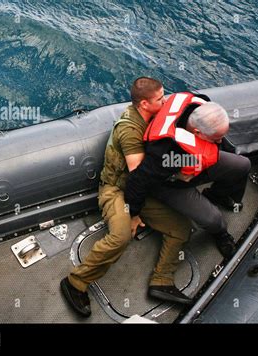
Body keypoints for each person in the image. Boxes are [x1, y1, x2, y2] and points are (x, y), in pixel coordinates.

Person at [60, 77, 193, 318]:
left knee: (181, 228)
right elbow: (137, 177)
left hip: (138, 191)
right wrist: (134, 214)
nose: (165, 102)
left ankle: (162, 280)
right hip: (116, 189)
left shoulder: (151, 118)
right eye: (160, 99)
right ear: (144, 103)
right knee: (120, 237)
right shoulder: (130, 131)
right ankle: (75, 282)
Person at [124, 92, 251, 260]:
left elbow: (214, 142)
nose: (220, 142)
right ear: (197, 132)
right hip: (171, 183)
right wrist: (133, 214)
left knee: (243, 165)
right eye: (217, 138)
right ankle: (220, 233)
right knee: (213, 219)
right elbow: (138, 181)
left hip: (195, 165)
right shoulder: (165, 152)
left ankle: (216, 195)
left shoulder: (200, 102)